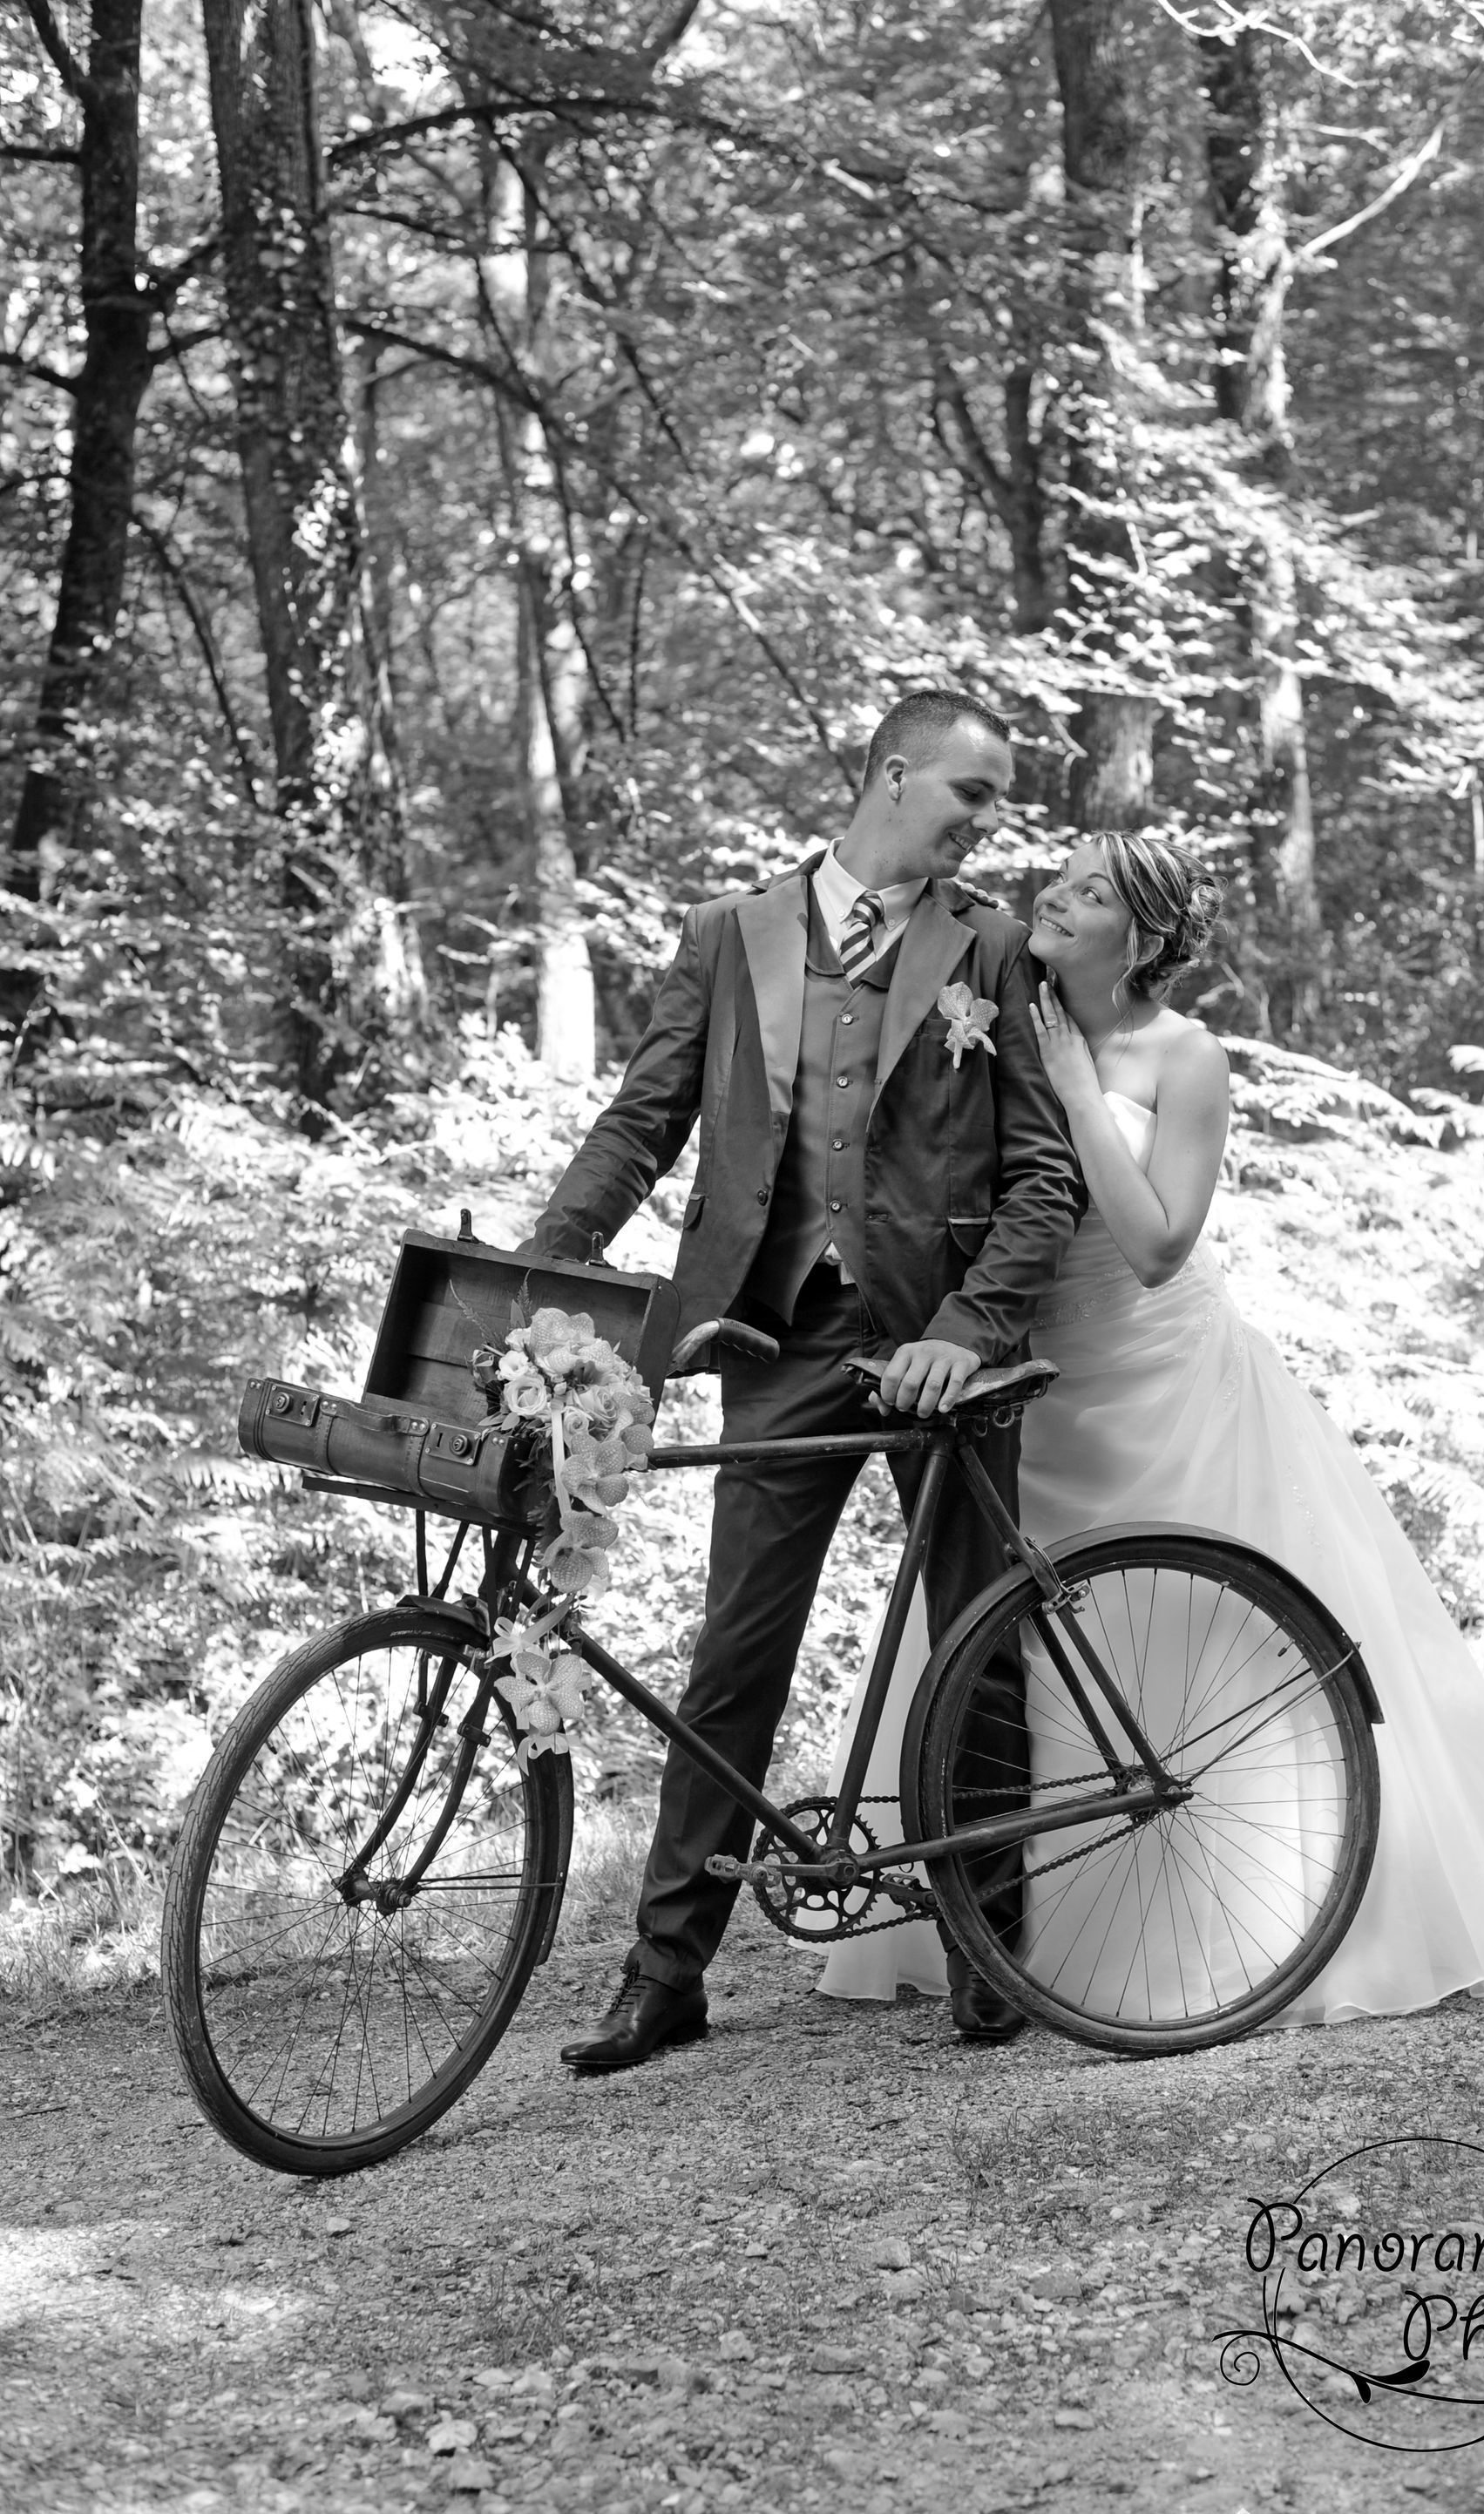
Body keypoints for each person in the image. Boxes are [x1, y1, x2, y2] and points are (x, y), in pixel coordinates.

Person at [819, 830, 1484, 2022]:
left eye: (1091, 890)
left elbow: (1159, 1244)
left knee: (1198, 1643)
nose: (1055, 894)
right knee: (1014, 1646)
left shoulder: (1183, 1055)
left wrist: (1070, 1087)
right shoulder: (991, 1008)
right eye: (1062, 877)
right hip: (1026, 1385)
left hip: (1164, 1380)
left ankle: (1224, 1928)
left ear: (1145, 937)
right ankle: (1007, 1920)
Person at [524, 688, 1083, 2070]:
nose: (989, 823)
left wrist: (968, 1323)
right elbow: (642, 1123)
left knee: (979, 1638)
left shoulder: (990, 945)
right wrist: (549, 1268)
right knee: (735, 1658)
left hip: (941, 1351)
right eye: (975, 794)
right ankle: (666, 1975)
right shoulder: (726, 937)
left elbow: (1043, 1175)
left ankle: (988, 1948)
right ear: (896, 776)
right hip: (773, 1345)